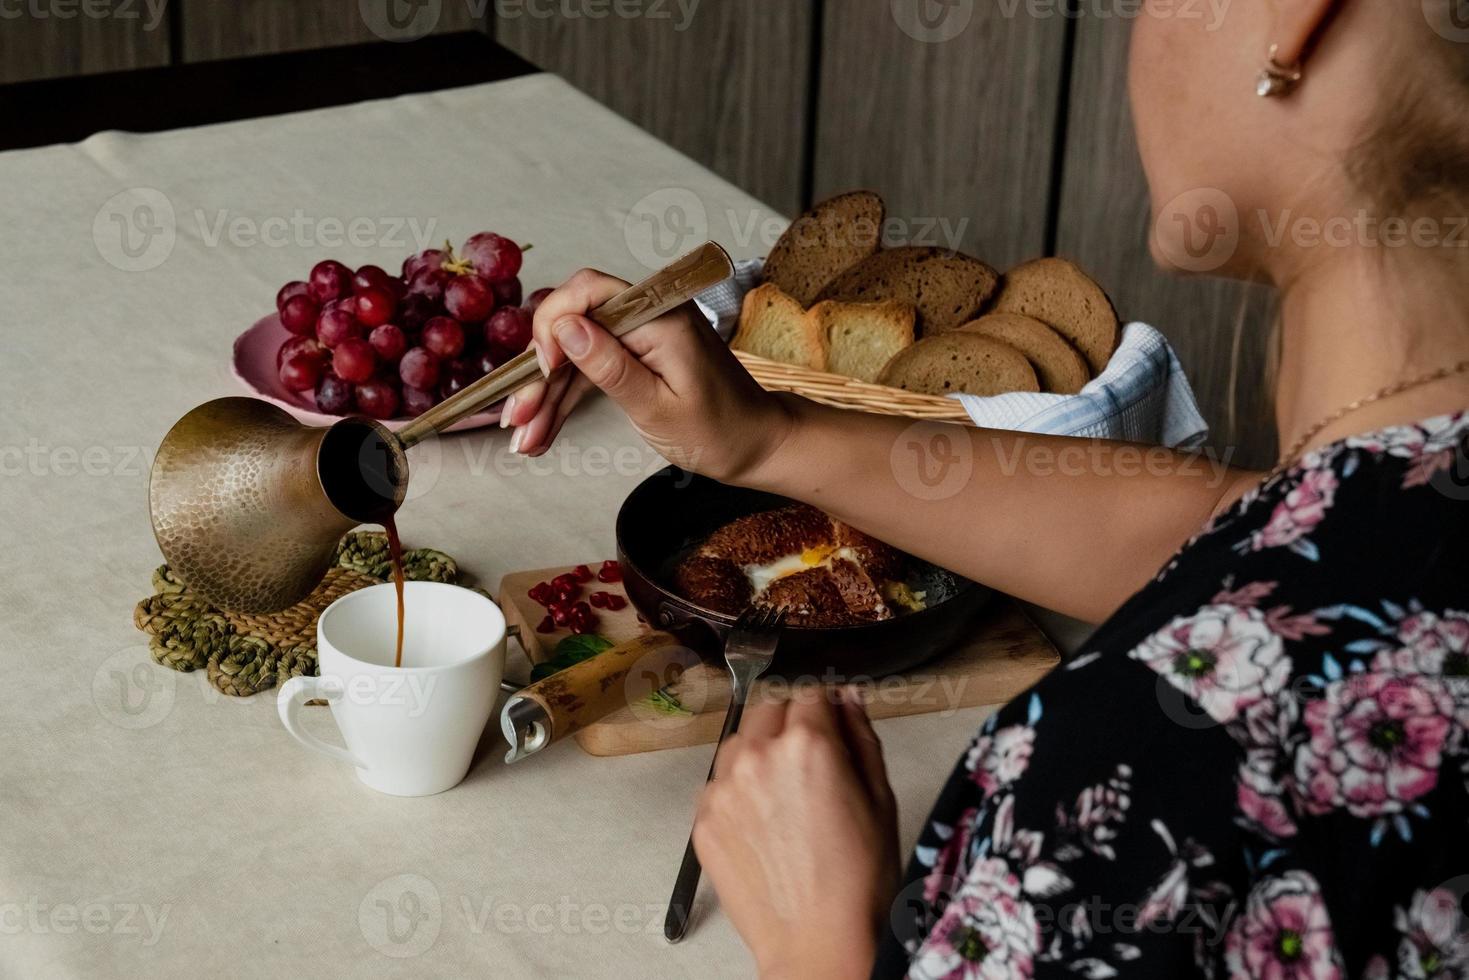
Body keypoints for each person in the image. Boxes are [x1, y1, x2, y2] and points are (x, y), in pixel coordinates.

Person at [501, 0, 1469, 975]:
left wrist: (822, 937)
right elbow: (1254, 535)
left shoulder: (1131, 792)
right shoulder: (1405, 490)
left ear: (1291, 18)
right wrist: (765, 439)